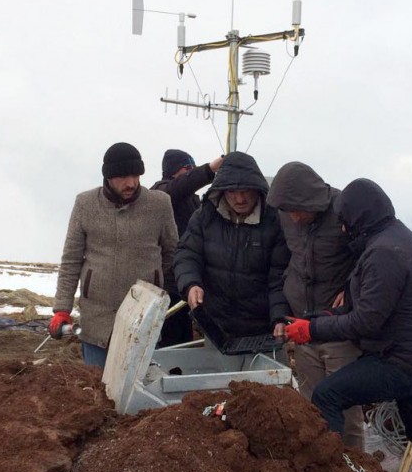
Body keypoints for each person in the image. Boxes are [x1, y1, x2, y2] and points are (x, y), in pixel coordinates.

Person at [284, 178, 412, 472]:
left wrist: (312, 330)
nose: (341, 228)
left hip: (404, 360)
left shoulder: (384, 252)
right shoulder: (395, 239)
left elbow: (367, 320)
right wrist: (322, 317)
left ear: (358, 217)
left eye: (344, 221)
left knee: (328, 394)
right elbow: (366, 305)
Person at [266, 162, 367, 449]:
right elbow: (281, 263)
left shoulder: (343, 209)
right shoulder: (287, 216)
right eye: (288, 211)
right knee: (311, 407)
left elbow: (370, 257)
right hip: (302, 325)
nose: (294, 217)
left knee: (347, 410)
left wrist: (352, 289)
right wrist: (281, 311)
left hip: (338, 330)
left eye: (298, 209)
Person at [51, 142, 178, 367]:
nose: (130, 183)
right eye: (122, 177)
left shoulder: (159, 204)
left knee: (138, 394)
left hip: (143, 320)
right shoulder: (85, 204)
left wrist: (154, 283)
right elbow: (71, 260)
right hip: (97, 321)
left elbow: (172, 253)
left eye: (135, 175)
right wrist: (62, 309)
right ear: (108, 177)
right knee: (97, 392)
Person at [173, 150, 290, 340]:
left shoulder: (274, 222)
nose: (240, 199)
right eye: (233, 192)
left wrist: (279, 316)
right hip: (214, 328)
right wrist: (191, 284)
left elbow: (280, 276)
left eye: (246, 191)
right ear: (222, 190)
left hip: (262, 330)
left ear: (258, 189)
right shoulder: (205, 216)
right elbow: (187, 254)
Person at [151, 148, 224, 346]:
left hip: (187, 281)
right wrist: (209, 169)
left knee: (184, 336)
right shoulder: (162, 192)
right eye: (187, 168)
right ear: (174, 171)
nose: (191, 172)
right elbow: (181, 186)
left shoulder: (192, 199)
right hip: (167, 284)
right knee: (168, 341)